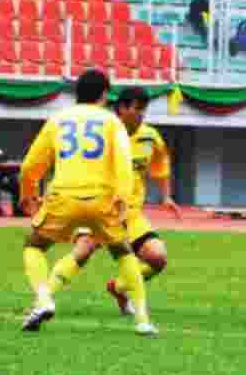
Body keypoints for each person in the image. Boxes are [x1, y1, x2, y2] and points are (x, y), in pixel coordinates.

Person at [17, 70, 157, 336]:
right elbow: (123, 164)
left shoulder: (57, 119)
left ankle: (44, 299)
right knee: (124, 252)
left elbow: (31, 165)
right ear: (105, 94)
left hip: (63, 196)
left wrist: (28, 193)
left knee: (34, 246)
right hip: (101, 199)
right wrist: (122, 198)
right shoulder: (111, 122)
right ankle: (142, 319)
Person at [63, 88, 182, 318]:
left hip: (131, 214)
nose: (141, 114)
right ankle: (43, 299)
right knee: (84, 250)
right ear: (121, 108)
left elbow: (162, 162)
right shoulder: (102, 135)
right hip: (100, 210)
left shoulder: (150, 136)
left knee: (158, 258)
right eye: (136, 109)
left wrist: (166, 195)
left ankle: (118, 287)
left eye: (143, 109)